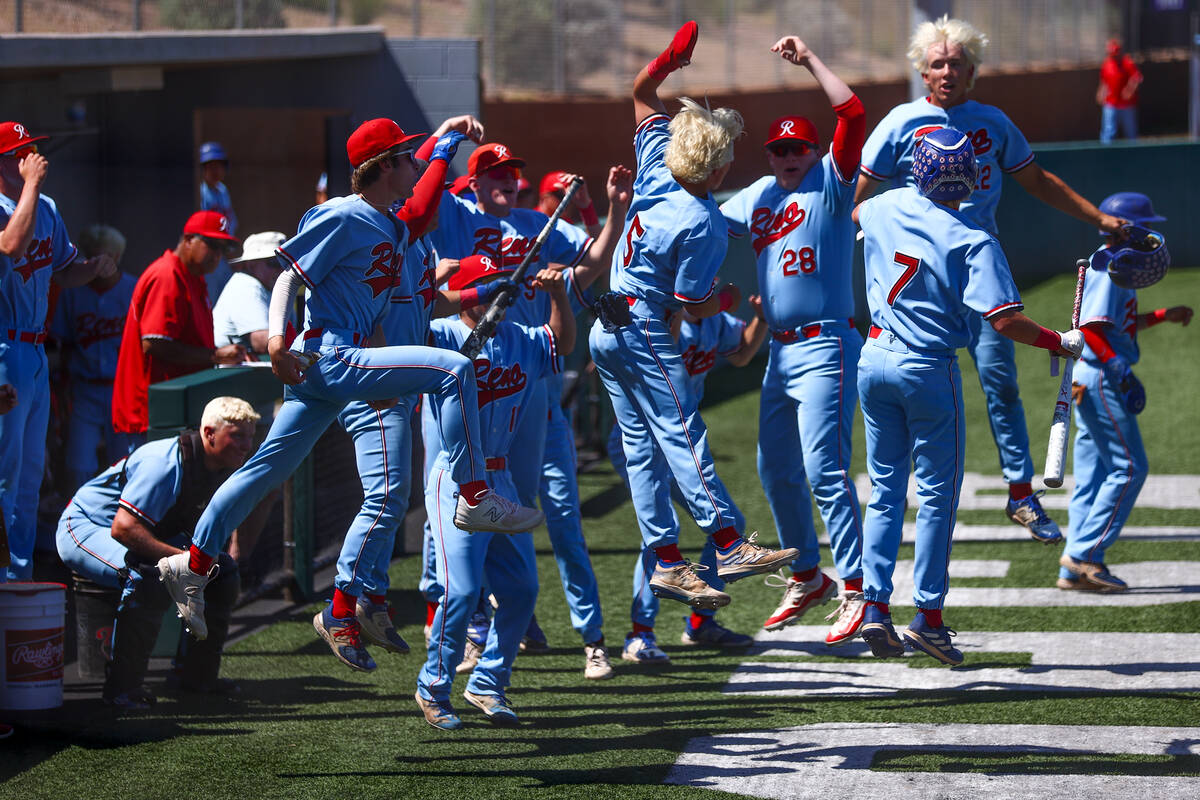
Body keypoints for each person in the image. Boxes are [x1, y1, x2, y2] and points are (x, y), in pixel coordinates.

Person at [154, 118, 543, 650]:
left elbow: (422, 207)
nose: (416, 164)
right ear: (385, 166)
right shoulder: (343, 212)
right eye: (406, 157)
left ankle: (194, 563)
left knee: (267, 470)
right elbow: (289, 272)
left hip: (342, 365)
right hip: (330, 354)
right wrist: (274, 342)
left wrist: (444, 152)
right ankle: (475, 494)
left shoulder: (391, 225)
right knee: (453, 369)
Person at [855, 15, 1127, 546]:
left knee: (999, 382)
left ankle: (1020, 493)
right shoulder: (900, 122)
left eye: (957, 62)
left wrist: (1098, 219)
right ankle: (910, 497)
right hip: (919, 281)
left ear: (973, 70)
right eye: (938, 63)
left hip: (978, 266)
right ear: (923, 70)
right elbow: (859, 197)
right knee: (913, 378)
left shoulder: (992, 121)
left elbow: (1037, 180)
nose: (947, 71)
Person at [590, 20, 799, 614]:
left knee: (640, 448)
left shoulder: (657, 162)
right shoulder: (703, 219)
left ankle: (665, 560)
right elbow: (690, 306)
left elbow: (639, 93)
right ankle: (728, 542)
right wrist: (728, 302)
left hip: (607, 331)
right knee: (682, 433)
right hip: (644, 328)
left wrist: (667, 62)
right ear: (715, 170)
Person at [853, 127, 1083, 667]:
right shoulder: (973, 237)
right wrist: (1057, 340)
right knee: (935, 495)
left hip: (873, 358)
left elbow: (859, 214)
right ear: (973, 175)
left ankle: (873, 607)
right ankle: (929, 620)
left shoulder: (882, 207)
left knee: (885, 491)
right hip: (926, 367)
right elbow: (1004, 321)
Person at [429, 140, 632, 680]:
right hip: (466, 370)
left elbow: (586, 268)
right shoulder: (455, 212)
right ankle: (474, 626)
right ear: (471, 182)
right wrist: (447, 137)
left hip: (527, 369)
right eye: (493, 172)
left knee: (556, 512)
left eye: (512, 171)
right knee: (458, 502)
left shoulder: (531, 222)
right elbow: (419, 194)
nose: (506, 179)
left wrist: (611, 209)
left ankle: (590, 637)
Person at [719, 35, 868, 645]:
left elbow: (852, 115)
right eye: (780, 148)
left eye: (799, 148)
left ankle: (857, 586)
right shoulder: (758, 194)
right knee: (774, 468)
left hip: (828, 344)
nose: (789, 156)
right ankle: (808, 574)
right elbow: (702, 220)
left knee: (824, 469)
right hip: (781, 350)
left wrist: (808, 60)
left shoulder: (829, 185)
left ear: (814, 151)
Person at [417, 257, 573, 730]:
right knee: (461, 590)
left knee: (522, 589)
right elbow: (403, 323)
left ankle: (488, 682)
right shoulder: (441, 334)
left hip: (500, 478)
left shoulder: (520, 338)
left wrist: (560, 295)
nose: (498, 297)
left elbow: (560, 344)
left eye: (502, 289)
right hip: (456, 478)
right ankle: (433, 686)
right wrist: (442, 285)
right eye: (486, 289)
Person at [57, 397, 259, 708]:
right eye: (237, 435)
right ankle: (122, 689)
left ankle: (195, 678)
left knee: (223, 572)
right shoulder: (165, 463)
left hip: (140, 533)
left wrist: (210, 559)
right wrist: (185, 561)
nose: (246, 444)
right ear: (209, 433)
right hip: (85, 526)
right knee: (147, 577)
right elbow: (123, 528)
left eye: (250, 435)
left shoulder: (225, 463)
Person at [614, 298, 768, 663]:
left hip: (677, 443)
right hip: (644, 440)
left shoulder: (715, 319)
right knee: (660, 533)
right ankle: (639, 634)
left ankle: (701, 622)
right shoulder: (661, 317)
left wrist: (761, 316)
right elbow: (665, 340)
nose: (711, 291)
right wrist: (681, 310)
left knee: (731, 524)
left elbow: (742, 354)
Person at [0, 121, 118, 581]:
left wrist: (93, 268)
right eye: (21, 152)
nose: (33, 157)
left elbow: (62, 271)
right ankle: (6, 576)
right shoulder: (17, 203)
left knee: (30, 476)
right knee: (6, 474)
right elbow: (10, 245)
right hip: (4, 346)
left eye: (33, 150)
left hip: (32, 351)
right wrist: (30, 185)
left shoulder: (45, 207)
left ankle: (20, 577)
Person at [1059, 193, 1191, 591]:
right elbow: (1093, 330)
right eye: (1144, 226)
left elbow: (1117, 325)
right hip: (1100, 375)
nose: (1151, 233)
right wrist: (1119, 370)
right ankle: (1084, 555)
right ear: (1126, 228)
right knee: (1130, 467)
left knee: (1093, 475)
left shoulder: (1118, 265)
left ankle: (1072, 570)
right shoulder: (1107, 267)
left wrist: (1163, 316)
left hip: (1090, 374)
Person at [111, 210, 249, 438]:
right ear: (188, 241)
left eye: (223, 249)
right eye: (212, 245)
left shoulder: (193, 277)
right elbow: (154, 343)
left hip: (173, 407)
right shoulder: (167, 275)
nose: (218, 255)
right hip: (153, 412)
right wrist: (214, 355)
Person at [51, 224, 140, 492]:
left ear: (117, 257)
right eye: (94, 256)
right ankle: (78, 517)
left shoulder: (133, 289)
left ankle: (121, 518)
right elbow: (62, 343)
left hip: (121, 388)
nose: (101, 263)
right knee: (78, 463)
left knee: (125, 461)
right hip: (84, 388)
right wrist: (63, 391)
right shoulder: (72, 292)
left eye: (108, 256)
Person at [212, 230, 288, 353]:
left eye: (286, 262)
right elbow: (261, 342)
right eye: (274, 262)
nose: (282, 269)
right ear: (251, 265)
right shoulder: (246, 285)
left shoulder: (272, 287)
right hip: (227, 370)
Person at [198, 141, 238, 303]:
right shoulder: (200, 191)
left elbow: (231, 221)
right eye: (210, 166)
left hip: (224, 253)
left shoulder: (222, 190)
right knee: (211, 301)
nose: (215, 171)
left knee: (226, 299)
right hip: (208, 252)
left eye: (219, 165)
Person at [1097, 39, 1142, 144]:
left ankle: (1135, 154)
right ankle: (1106, 155)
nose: (1114, 55)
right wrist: (1100, 92)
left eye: (1116, 52)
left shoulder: (1127, 62)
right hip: (1111, 104)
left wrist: (1130, 90)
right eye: (1112, 53)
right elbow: (1104, 81)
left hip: (1126, 105)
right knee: (1108, 131)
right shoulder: (1107, 64)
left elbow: (1136, 78)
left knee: (1131, 132)